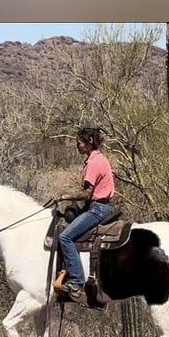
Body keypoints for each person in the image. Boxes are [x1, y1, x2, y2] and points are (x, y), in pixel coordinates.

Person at [55, 125, 115, 302]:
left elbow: (87, 194)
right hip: (98, 205)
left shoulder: (94, 163)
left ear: (89, 143)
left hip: (97, 208)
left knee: (65, 237)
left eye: (79, 143)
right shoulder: (98, 159)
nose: (77, 146)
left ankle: (76, 281)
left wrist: (63, 197)